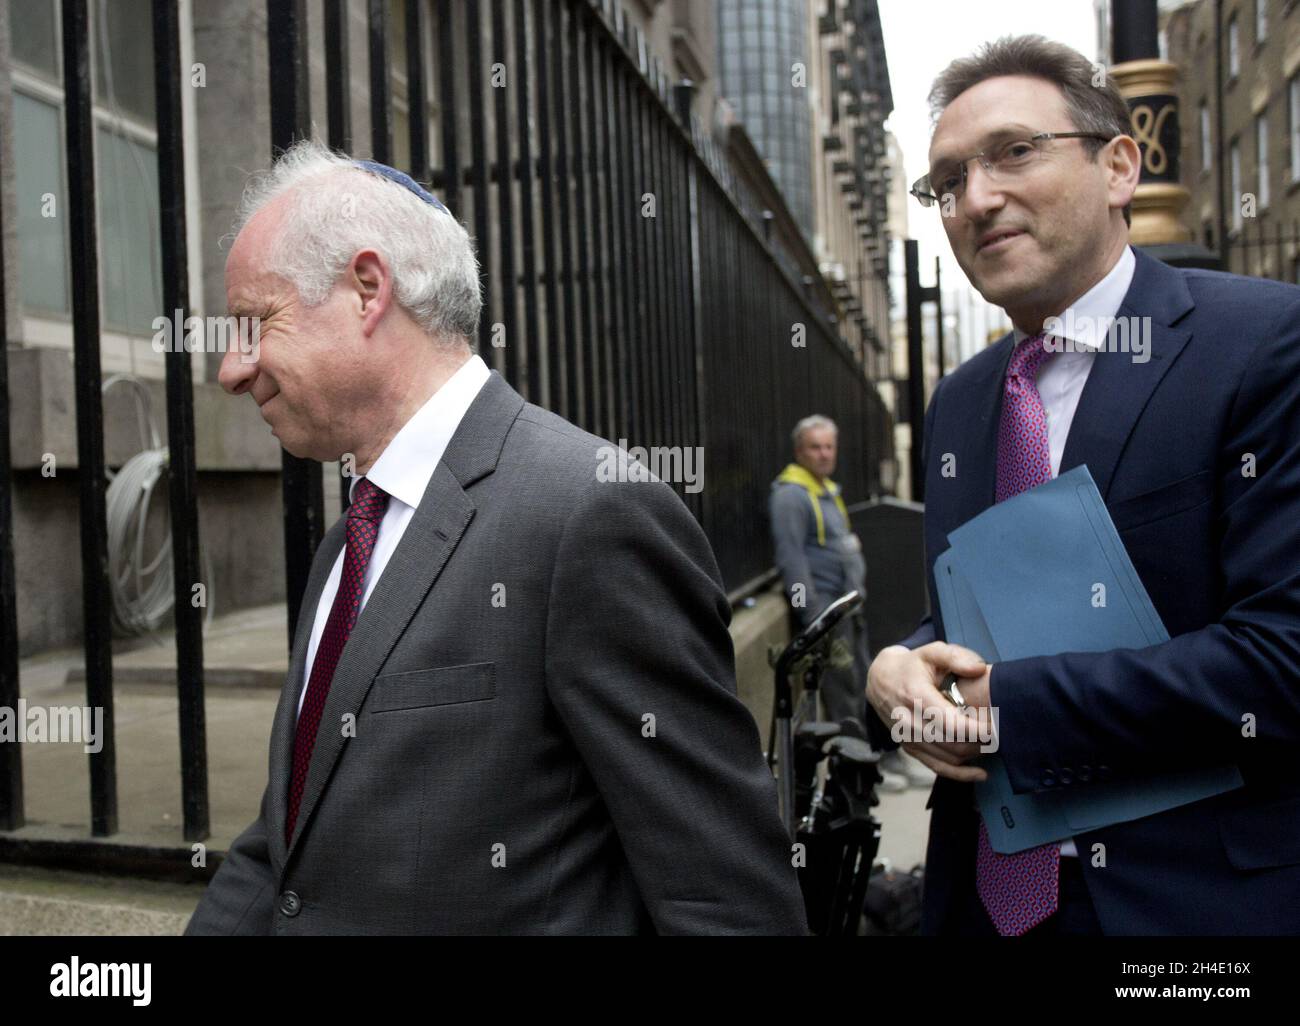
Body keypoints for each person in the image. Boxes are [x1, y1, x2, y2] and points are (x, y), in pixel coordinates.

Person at [184, 140, 807, 935]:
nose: (232, 370)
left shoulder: (590, 514)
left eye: (254, 322)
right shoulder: (348, 544)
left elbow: (723, 896)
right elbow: (285, 845)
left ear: (367, 290)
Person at [866, 35, 1300, 936]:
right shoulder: (961, 401)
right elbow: (969, 624)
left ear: (1118, 166)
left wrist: (1006, 710)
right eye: (946, 183)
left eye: (1015, 153)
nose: (976, 200)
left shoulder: (1262, 347)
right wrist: (899, 668)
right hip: (981, 904)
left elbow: (1281, 660)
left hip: (1186, 915)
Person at [769, 417, 930, 791]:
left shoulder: (823, 489)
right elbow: (792, 560)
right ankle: (861, 774)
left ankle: (885, 757)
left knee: (868, 683)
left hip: (848, 610)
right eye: (815, 447)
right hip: (828, 615)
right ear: (799, 451)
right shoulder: (791, 495)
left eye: (829, 447)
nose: (824, 454)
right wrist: (815, 621)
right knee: (844, 694)